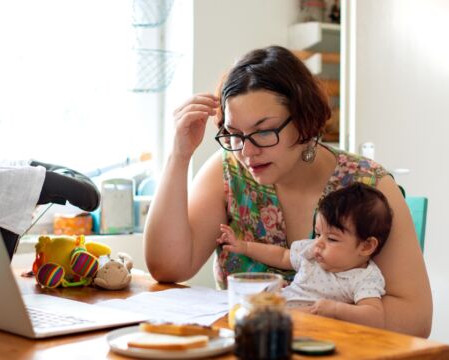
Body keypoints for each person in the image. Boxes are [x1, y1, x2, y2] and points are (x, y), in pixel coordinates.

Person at [144, 45, 432, 337]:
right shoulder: (228, 171)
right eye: (234, 134)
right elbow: (168, 268)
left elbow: (416, 320)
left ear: (304, 120)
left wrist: (311, 316)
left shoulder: (368, 184)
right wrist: (178, 156)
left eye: (264, 131)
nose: (247, 151)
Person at [217, 183, 392, 328]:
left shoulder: (364, 277)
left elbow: (375, 317)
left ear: (367, 246)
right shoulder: (313, 253)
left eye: (331, 238)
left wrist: (337, 310)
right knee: (237, 313)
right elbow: (281, 256)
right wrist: (245, 247)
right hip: (275, 314)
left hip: (309, 326)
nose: (319, 243)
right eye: (317, 234)